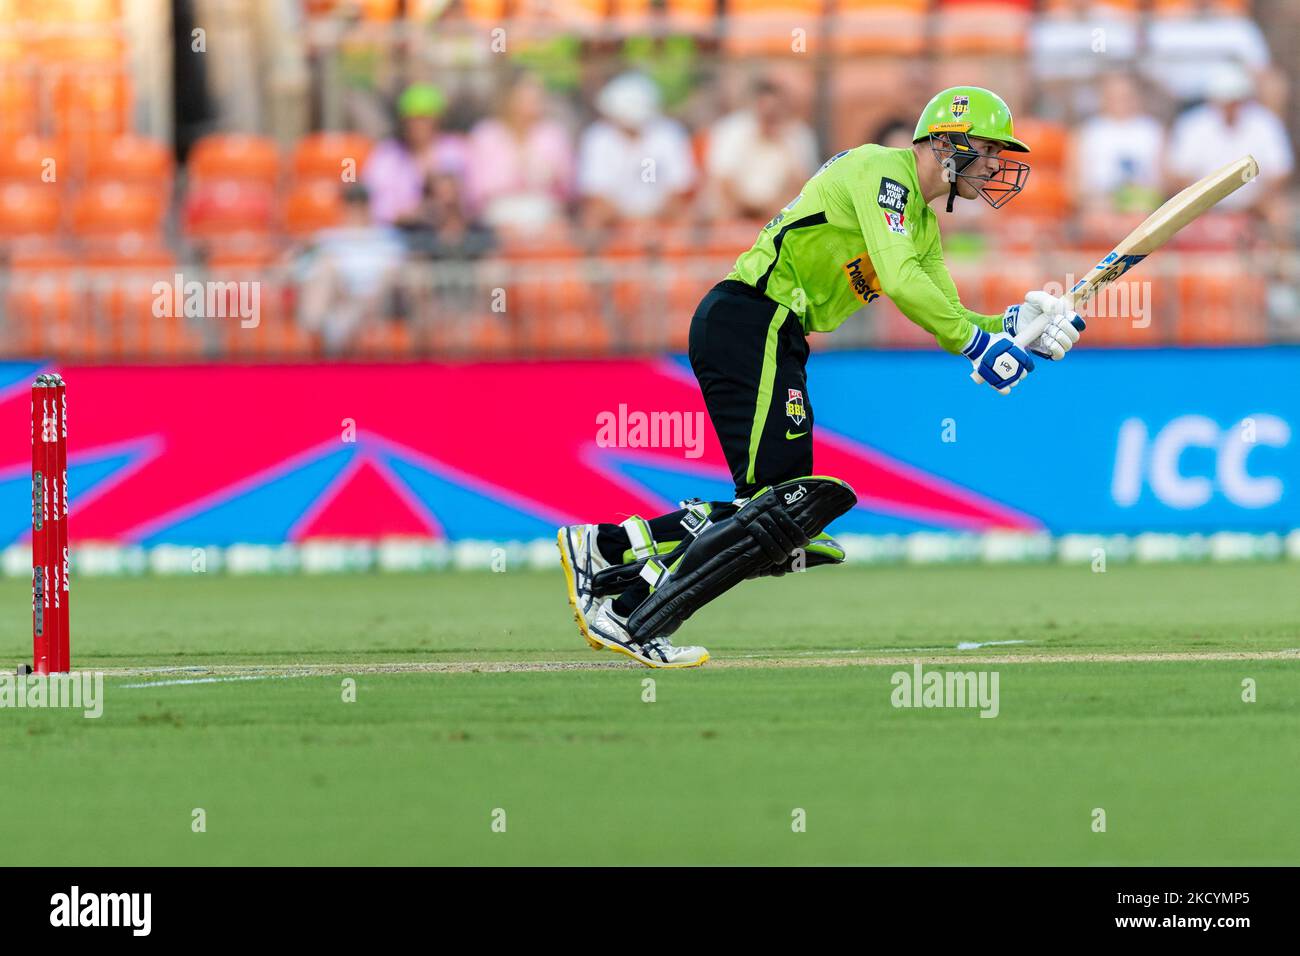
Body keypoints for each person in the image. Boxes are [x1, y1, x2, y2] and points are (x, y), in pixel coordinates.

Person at [557, 87, 1086, 668]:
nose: (995, 164)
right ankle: (630, 608)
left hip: (774, 331)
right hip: (751, 317)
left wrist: (1014, 326)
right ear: (946, 142)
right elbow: (905, 283)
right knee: (777, 512)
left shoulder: (923, 227)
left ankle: (605, 550)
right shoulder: (881, 171)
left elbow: (946, 314)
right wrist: (978, 346)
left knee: (779, 524)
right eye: (988, 149)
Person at [576, 71, 696, 230]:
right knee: (591, 220)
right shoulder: (597, 138)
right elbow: (596, 196)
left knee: (687, 221)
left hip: (663, 218)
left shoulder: (668, 134)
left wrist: (650, 221)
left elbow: (680, 190)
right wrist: (631, 222)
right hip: (614, 224)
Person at [463, 73, 575, 233]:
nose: (535, 100)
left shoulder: (553, 133)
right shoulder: (486, 134)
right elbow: (477, 190)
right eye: (527, 95)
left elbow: (567, 187)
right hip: (498, 214)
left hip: (545, 211)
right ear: (510, 98)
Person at [705, 76, 819, 221]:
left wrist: (786, 145)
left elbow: (804, 188)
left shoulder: (799, 136)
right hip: (735, 214)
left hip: (779, 216)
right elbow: (722, 183)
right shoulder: (731, 130)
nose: (769, 116)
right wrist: (749, 209)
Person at [361, 82, 467, 226]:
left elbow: (466, 199)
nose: (418, 125)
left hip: (442, 235)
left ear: (437, 120)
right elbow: (376, 202)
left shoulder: (454, 150)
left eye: (424, 119)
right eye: (412, 119)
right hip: (396, 234)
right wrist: (405, 215)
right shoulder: (387, 155)